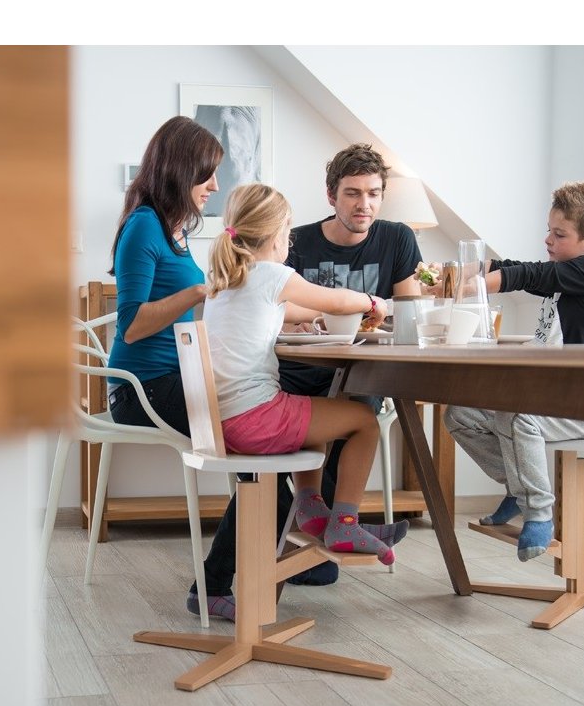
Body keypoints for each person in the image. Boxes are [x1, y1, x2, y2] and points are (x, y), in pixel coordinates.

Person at [105, 115, 293, 623]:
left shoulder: (174, 229)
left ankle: (248, 574)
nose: (214, 185)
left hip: (176, 380)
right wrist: (194, 293)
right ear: (179, 169)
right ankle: (217, 585)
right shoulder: (144, 226)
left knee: (268, 461)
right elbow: (131, 327)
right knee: (265, 458)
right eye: (206, 174)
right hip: (141, 390)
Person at [202, 183, 408, 564]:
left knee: (316, 405)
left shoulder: (228, 280)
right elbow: (337, 299)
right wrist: (373, 302)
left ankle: (313, 509)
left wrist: (321, 318)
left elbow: (298, 310)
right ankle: (345, 522)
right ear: (278, 235)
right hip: (255, 420)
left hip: (224, 422)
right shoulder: (273, 274)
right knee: (364, 421)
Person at [443, 180, 584, 561]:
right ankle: (519, 485)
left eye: (560, 234)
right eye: (548, 231)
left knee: (518, 414)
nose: (548, 240)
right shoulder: (568, 272)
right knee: (459, 414)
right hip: (554, 399)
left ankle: (538, 511)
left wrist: (478, 285)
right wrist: (465, 270)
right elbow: (519, 268)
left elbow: (532, 275)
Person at [279, 142, 426, 584]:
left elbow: (408, 313)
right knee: (328, 411)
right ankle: (331, 524)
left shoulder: (398, 238)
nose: (365, 204)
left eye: (373, 193)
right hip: (302, 369)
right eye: (353, 193)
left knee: (358, 406)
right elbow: (278, 309)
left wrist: (384, 314)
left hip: (362, 370)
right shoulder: (297, 241)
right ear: (331, 195)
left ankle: (335, 523)